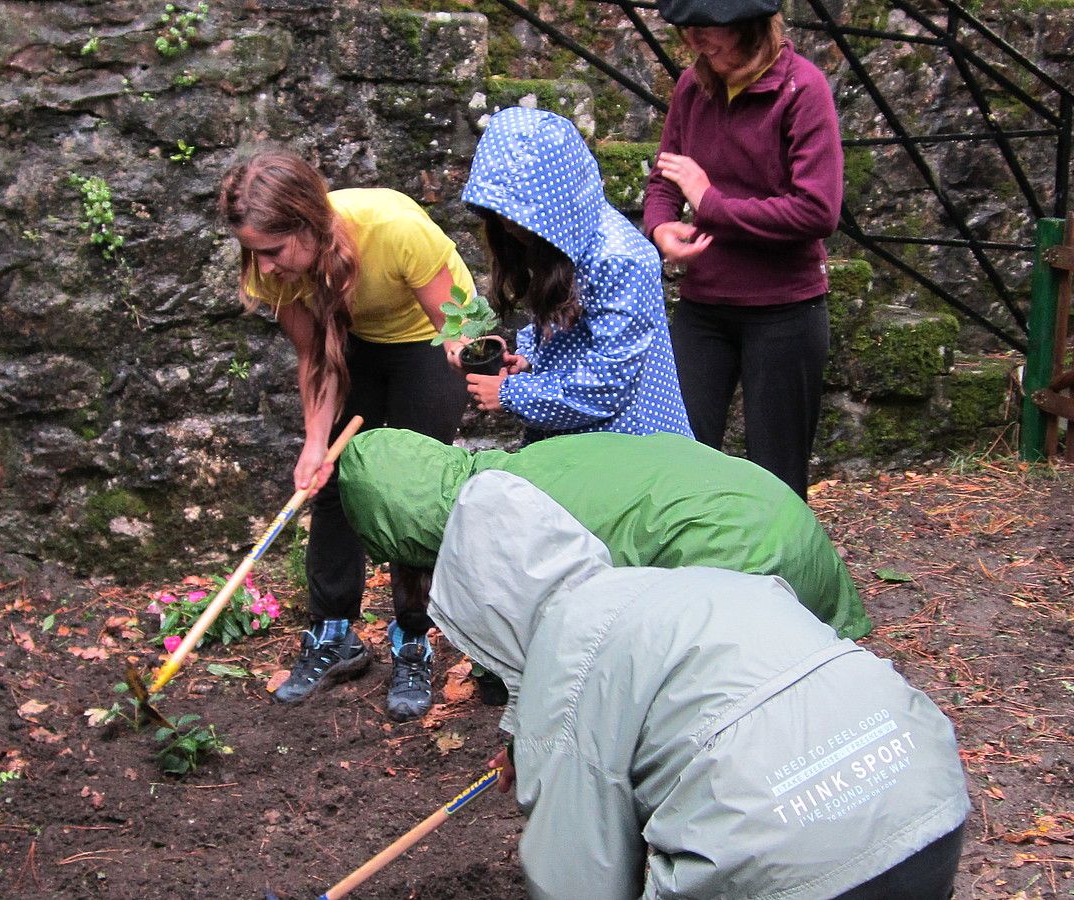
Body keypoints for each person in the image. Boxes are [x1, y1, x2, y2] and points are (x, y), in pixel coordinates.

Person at [430, 470, 969, 900]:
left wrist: (544, 750)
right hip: (926, 802)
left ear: (484, 612)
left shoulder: (564, 668)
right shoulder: (689, 584)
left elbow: (576, 875)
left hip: (786, 870)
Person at [217, 151, 476, 721]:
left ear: (308, 225)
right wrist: (315, 446)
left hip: (428, 342)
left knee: (412, 492)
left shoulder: (395, 228)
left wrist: (468, 355)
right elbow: (315, 357)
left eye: (272, 250)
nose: (263, 266)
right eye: (252, 252)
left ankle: (413, 638)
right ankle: (333, 633)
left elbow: (457, 324)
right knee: (329, 485)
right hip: (354, 344)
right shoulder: (277, 272)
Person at [339, 427, 871, 640]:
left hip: (747, 571)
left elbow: (567, 651)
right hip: (792, 527)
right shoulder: (536, 460)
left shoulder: (505, 533)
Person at [643, 0, 843, 498]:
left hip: (786, 309)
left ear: (750, 26)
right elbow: (668, 178)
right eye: (687, 30)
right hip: (705, 306)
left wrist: (710, 203)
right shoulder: (693, 86)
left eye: (708, 29)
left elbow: (818, 211)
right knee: (678, 452)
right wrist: (661, 226)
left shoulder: (802, 89)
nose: (695, 42)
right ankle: (690, 570)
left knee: (776, 473)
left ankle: (780, 572)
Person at [461, 106, 693, 442]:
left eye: (519, 219)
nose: (509, 228)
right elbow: (568, 329)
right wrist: (527, 358)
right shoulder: (560, 241)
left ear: (557, 199)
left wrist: (512, 394)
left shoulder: (621, 260)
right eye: (501, 216)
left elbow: (607, 382)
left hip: (627, 445)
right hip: (573, 439)